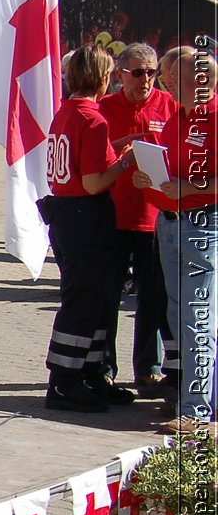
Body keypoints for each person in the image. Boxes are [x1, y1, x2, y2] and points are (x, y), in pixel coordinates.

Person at [39, 46, 138, 413]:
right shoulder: (94, 118)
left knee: (100, 299)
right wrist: (127, 161)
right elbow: (95, 182)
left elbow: (82, 161)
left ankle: (91, 373)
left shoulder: (67, 112)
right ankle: (65, 380)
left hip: (67, 214)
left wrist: (113, 150)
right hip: (85, 216)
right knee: (84, 301)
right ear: (102, 77)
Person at [134, 44, 217, 432]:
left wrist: (191, 185)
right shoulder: (178, 116)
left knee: (197, 316)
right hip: (170, 223)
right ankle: (192, 399)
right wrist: (147, 177)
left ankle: (198, 411)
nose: (164, 83)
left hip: (202, 225)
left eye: (172, 79)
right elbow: (170, 166)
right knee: (178, 314)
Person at [99, 43, 175, 390]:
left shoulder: (169, 106)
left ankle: (147, 366)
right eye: (138, 72)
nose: (146, 80)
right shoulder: (104, 108)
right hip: (113, 217)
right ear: (119, 75)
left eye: (151, 72)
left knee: (154, 298)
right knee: (108, 296)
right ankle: (104, 367)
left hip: (153, 219)